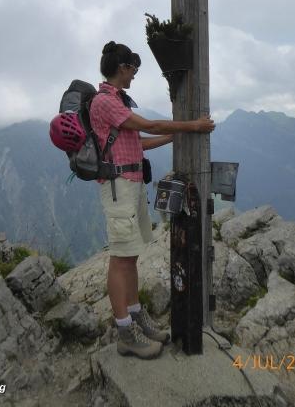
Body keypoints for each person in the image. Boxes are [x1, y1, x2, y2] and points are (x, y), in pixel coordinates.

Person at [89, 41, 215, 359]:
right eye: (133, 69)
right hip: (118, 188)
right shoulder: (105, 102)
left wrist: (178, 135)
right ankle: (124, 333)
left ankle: (136, 317)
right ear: (123, 68)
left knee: (130, 256)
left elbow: (138, 142)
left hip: (130, 184)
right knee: (120, 258)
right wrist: (193, 126)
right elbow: (148, 125)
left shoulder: (118, 101)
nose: (134, 76)